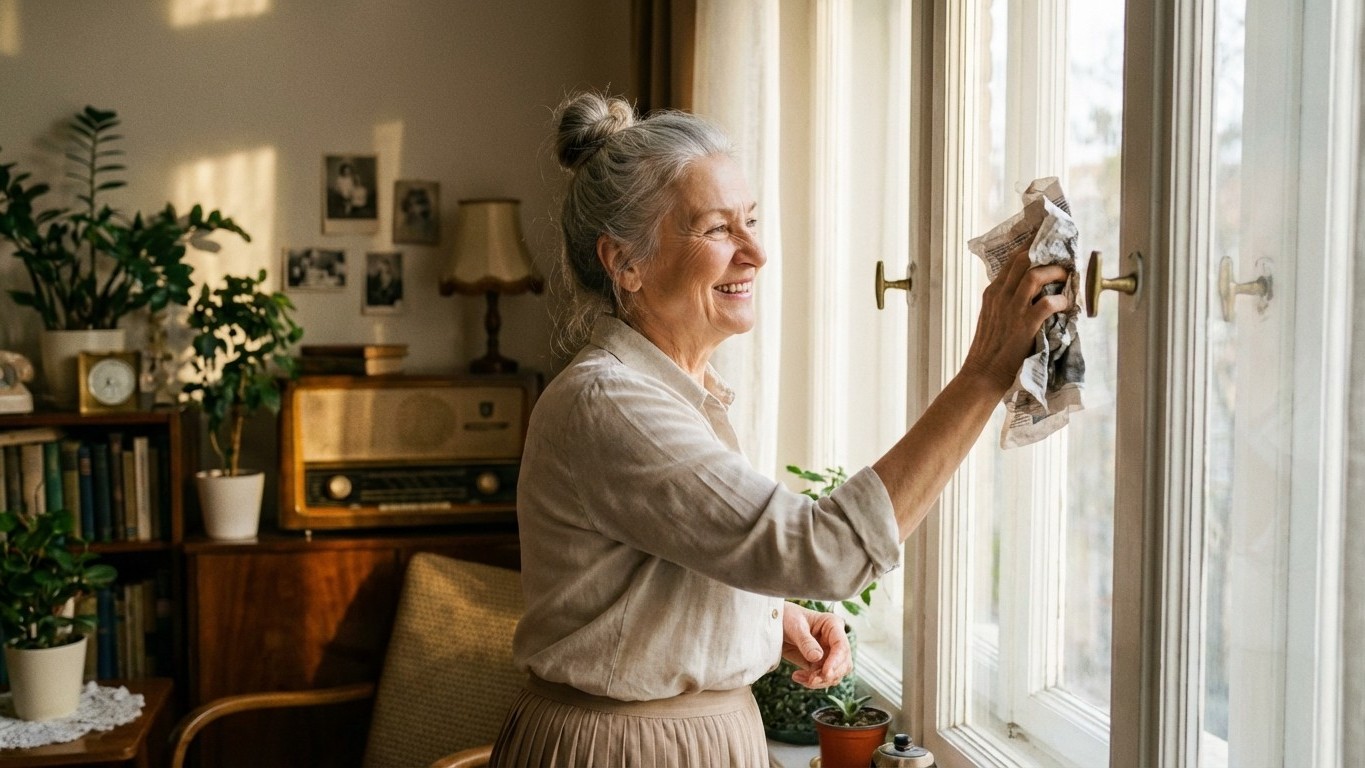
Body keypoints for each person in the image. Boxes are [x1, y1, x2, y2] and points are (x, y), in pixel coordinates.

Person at [489, 93, 1070, 767]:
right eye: (717, 229)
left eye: (752, 221)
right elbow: (828, 552)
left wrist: (766, 620)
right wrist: (984, 373)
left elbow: (642, 575)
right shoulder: (613, 404)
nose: (757, 253)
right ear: (625, 263)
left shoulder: (670, 393)